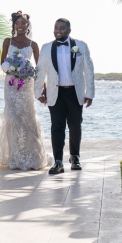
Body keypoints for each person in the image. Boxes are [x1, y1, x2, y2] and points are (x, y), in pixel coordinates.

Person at [0, 11, 50, 170]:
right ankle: (15, 157)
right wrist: (13, 70)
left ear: (27, 25)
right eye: (18, 23)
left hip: (26, 85)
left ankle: (33, 156)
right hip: (11, 84)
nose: (20, 26)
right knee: (12, 116)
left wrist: (43, 87)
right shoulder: (7, 42)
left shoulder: (33, 45)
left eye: (23, 23)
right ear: (14, 25)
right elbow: (2, 63)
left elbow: (39, 69)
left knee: (27, 117)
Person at [34, 18, 95, 175]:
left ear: (69, 30)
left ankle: (75, 157)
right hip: (56, 93)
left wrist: (90, 93)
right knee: (57, 127)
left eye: (62, 28)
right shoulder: (46, 48)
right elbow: (40, 71)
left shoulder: (80, 46)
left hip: (75, 92)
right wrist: (38, 92)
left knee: (75, 126)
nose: (58, 30)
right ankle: (58, 162)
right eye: (56, 28)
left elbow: (88, 70)